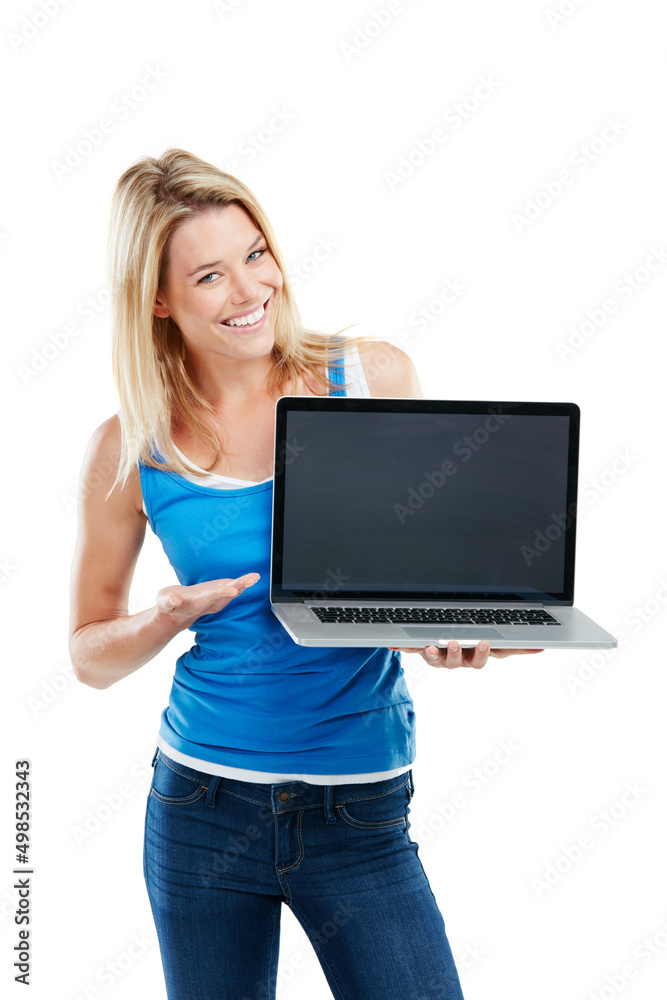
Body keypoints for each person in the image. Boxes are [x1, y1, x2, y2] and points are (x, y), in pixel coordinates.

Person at [68, 148, 541, 1000]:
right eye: (210, 275)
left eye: (256, 255)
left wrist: (462, 631)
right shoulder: (131, 447)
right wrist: (162, 618)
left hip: (358, 812)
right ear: (159, 299)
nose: (251, 291)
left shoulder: (370, 379)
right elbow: (87, 654)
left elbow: (426, 579)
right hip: (200, 809)